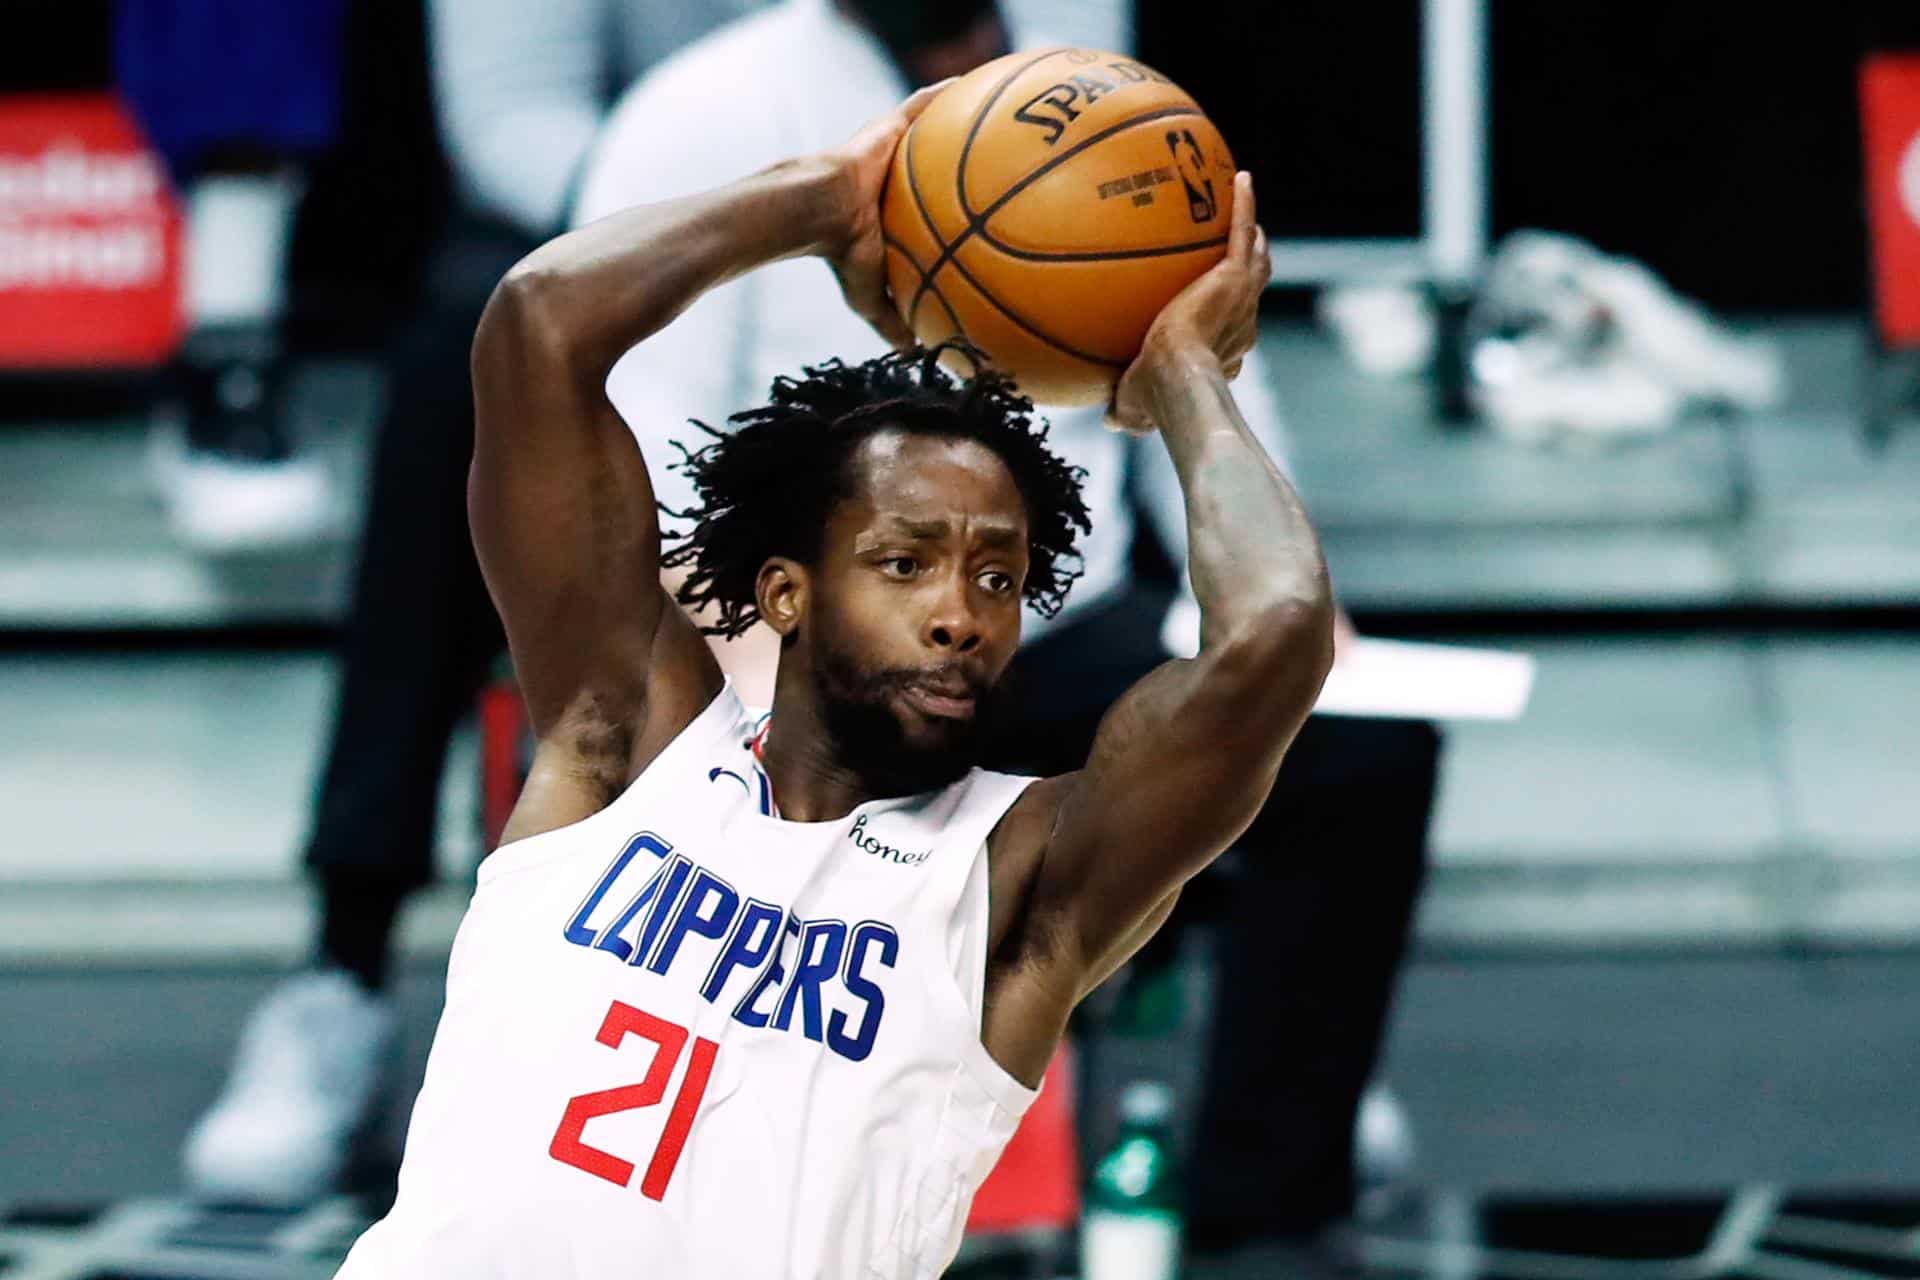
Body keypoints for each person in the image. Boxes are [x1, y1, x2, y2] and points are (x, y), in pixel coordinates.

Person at [336, 85, 1327, 1277]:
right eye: (905, 562)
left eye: (1000, 579)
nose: (960, 613)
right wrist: (830, 202)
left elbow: (1274, 632)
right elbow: (541, 323)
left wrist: (1182, 377)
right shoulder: (625, 745)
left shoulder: (1019, 881)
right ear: (787, 592)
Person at [574, 2, 1440, 1270]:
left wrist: (1287, 573)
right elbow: (641, 465)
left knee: (1357, 746)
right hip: (812, 642)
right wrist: (757, 695)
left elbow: (1200, 359)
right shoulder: (704, 112)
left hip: (1055, 613)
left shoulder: (1098, 93)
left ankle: (1268, 1201)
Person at [180, 0, 756, 1205]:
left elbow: (1051, 61)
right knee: (466, 358)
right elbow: (510, 116)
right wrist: (738, 225)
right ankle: (343, 964)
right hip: (631, 224)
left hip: (916, 233)